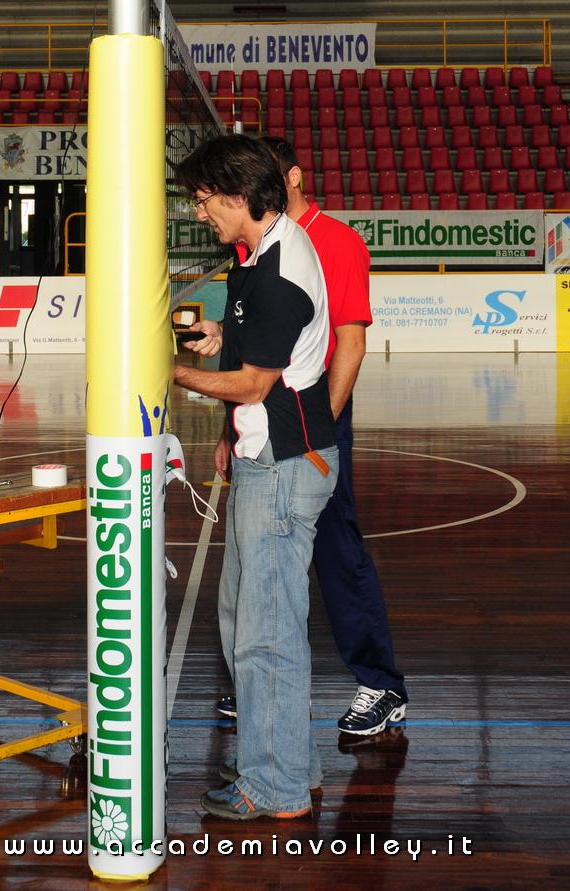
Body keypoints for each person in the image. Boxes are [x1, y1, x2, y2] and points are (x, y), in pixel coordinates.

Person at [188, 135, 407, 736]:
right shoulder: (250, 246)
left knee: (336, 550)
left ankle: (380, 683)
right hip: (271, 423)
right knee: (256, 575)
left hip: (310, 422)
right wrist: (231, 432)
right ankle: (255, 691)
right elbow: (256, 336)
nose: (203, 211)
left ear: (288, 178)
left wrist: (318, 433)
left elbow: (350, 342)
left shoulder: (330, 242)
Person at [172, 135, 338, 821]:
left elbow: (252, 382)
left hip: (283, 467)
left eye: (206, 200)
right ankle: (291, 762)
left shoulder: (276, 275)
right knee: (248, 617)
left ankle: (276, 787)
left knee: (265, 631)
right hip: (266, 462)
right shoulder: (265, 252)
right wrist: (218, 331)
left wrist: (171, 373)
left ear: (240, 198)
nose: (200, 211)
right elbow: (254, 343)